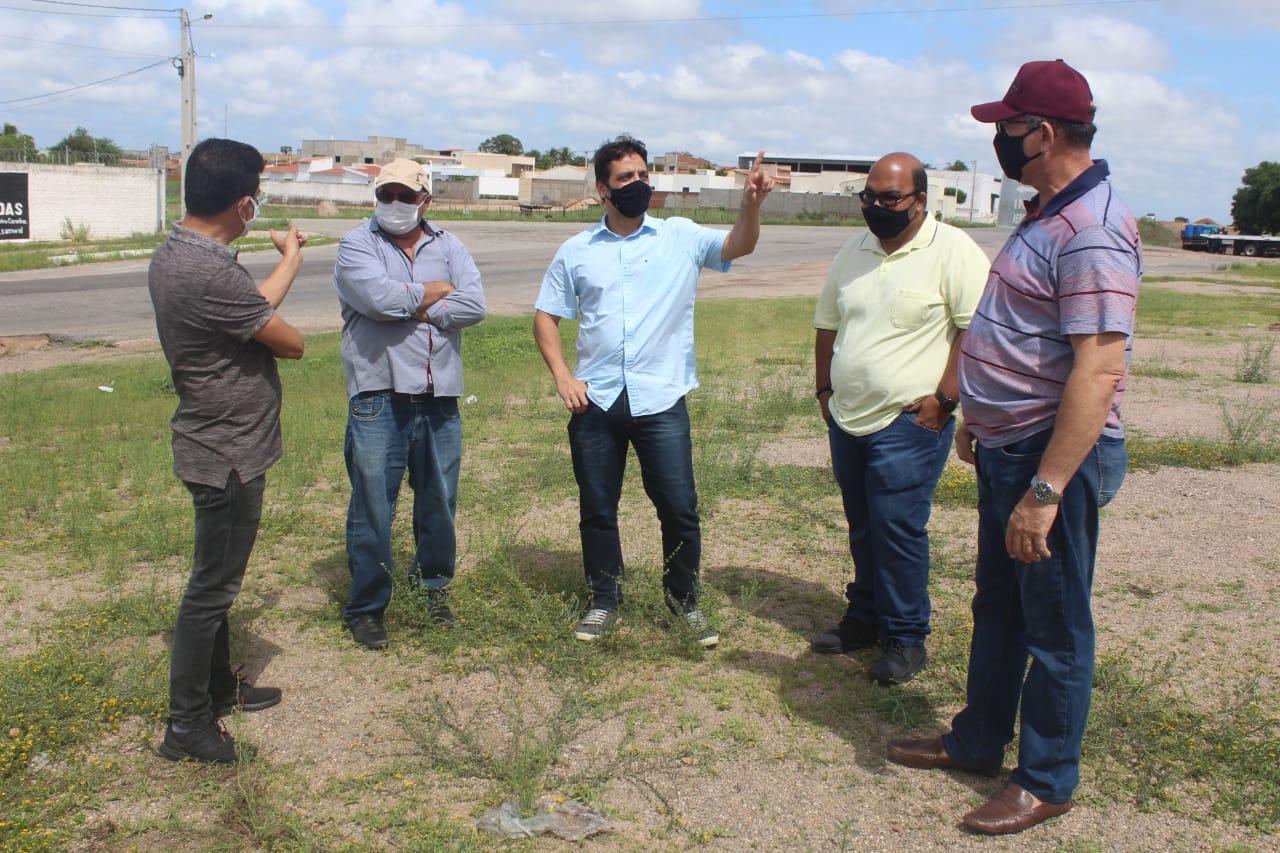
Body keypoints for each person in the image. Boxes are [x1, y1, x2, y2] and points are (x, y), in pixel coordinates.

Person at [886, 59, 1140, 834]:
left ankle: (1046, 777)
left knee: (1056, 625)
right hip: (1009, 444)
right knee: (999, 604)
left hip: (1048, 461)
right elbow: (1023, 334)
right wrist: (978, 412)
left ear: (1045, 132)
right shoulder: (1047, 213)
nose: (999, 138)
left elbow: (1097, 369)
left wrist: (1048, 487)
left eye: (1007, 126)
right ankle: (976, 740)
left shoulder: (1093, 228)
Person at [533, 135, 774, 648]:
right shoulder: (576, 251)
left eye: (643, 175)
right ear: (603, 189)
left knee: (679, 506)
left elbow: (739, 246)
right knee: (598, 506)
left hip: (662, 399)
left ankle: (683, 602)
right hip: (595, 401)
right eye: (626, 178)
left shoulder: (679, 237)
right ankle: (604, 599)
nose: (638, 185)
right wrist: (562, 376)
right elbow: (545, 316)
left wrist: (750, 206)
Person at [149, 138, 306, 765]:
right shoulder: (208, 270)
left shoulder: (181, 255)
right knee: (211, 588)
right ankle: (186, 724)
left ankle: (217, 687)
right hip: (227, 454)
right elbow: (287, 340)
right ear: (243, 203)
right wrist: (288, 271)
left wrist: (289, 260)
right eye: (259, 193)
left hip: (213, 441)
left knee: (214, 582)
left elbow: (249, 311)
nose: (260, 203)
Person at [809, 152, 989, 685]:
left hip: (910, 422)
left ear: (920, 199)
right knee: (864, 524)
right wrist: (824, 389)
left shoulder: (953, 250)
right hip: (848, 418)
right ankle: (864, 618)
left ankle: (905, 637)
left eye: (890, 199)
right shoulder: (853, 249)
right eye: (869, 197)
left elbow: (975, 331)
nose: (877, 207)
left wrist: (946, 400)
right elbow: (826, 324)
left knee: (898, 528)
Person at [335, 158, 486, 650]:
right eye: (386, 195)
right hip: (379, 395)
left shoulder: (450, 245)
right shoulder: (356, 244)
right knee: (374, 504)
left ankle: (433, 592)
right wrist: (435, 293)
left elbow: (474, 305)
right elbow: (375, 298)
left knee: (439, 502)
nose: (394, 205)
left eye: (405, 196)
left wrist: (420, 302)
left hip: (439, 394)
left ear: (426, 200)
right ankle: (367, 607)